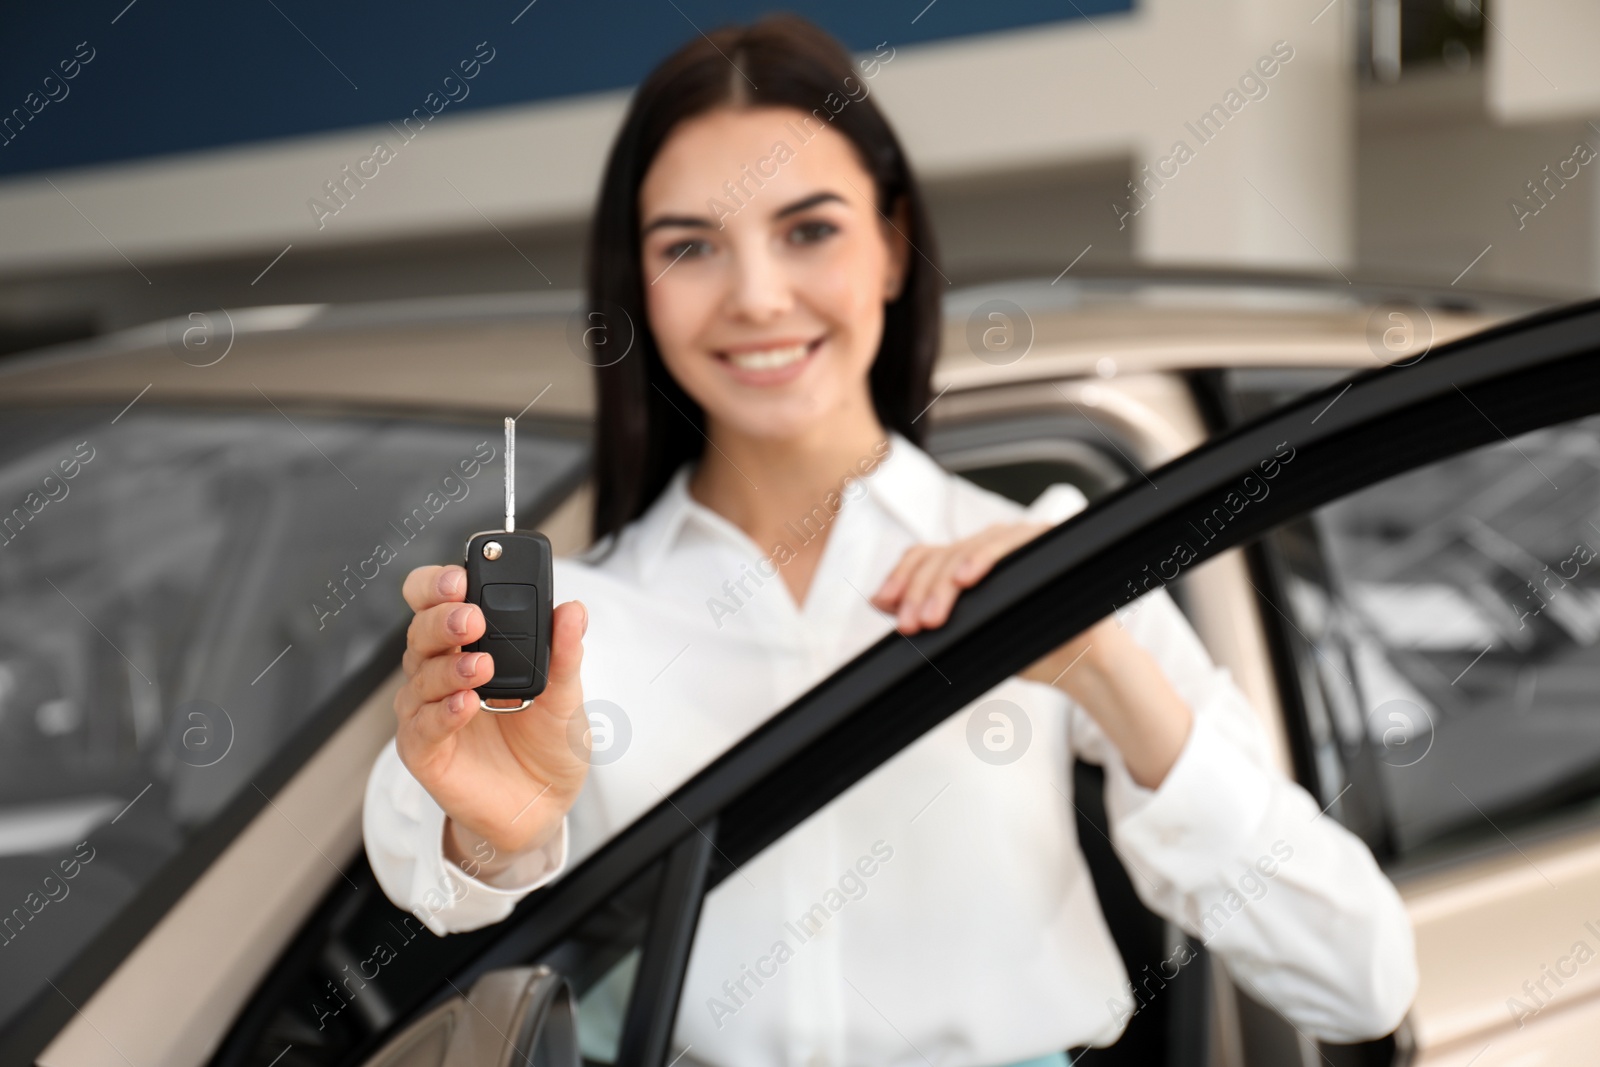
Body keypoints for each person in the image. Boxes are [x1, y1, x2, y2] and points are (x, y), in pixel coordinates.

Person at [364, 15, 1417, 1066]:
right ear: (636, 284)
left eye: (809, 229)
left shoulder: (1048, 560)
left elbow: (1358, 975)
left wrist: (1101, 668)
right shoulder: (582, 627)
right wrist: (482, 840)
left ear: (893, 244)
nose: (758, 296)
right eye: (690, 246)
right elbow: (438, 880)